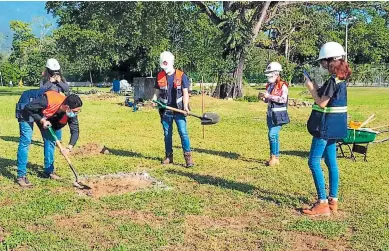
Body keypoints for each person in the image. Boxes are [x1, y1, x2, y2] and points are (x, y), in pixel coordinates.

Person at [302, 42, 351, 216]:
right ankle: (333, 200)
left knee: (313, 161)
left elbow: (321, 102)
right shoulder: (340, 80)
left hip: (324, 127)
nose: (322, 65)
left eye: (323, 61)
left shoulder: (332, 81)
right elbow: (325, 95)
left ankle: (322, 203)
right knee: (331, 163)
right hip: (335, 128)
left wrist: (310, 89)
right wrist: (314, 85)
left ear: (331, 61)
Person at [16, 90, 83, 187]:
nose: (76, 113)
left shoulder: (70, 112)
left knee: (50, 139)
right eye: (76, 111)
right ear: (67, 107)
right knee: (26, 140)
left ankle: (48, 171)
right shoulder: (48, 100)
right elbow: (29, 108)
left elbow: (75, 130)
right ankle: (21, 176)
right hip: (27, 104)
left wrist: (69, 148)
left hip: (42, 111)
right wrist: (42, 120)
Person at [152, 51, 194, 167]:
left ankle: (188, 158)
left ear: (171, 63)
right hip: (165, 111)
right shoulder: (160, 75)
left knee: (183, 133)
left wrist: (185, 106)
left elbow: (185, 93)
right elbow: (156, 91)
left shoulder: (181, 75)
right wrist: (154, 100)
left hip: (179, 110)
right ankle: (169, 156)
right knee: (167, 134)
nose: (164, 68)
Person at [258, 62, 290, 166]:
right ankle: (275, 158)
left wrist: (269, 96)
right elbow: (267, 100)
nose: (269, 77)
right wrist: (264, 98)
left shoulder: (283, 86)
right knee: (274, 136)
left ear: (276, 74)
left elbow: (282, 99)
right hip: (270, 115)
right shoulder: (269, 86)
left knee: (272, 134)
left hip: (279, 116)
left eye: (271, 74)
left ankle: (274, 157)